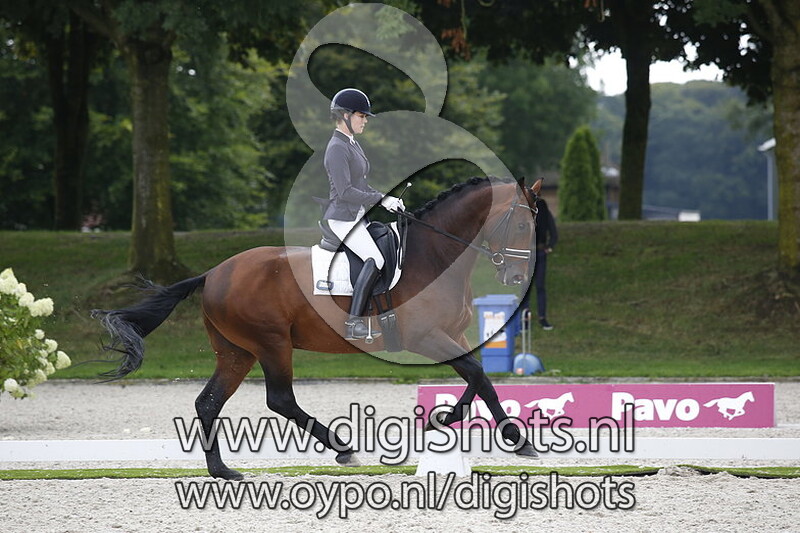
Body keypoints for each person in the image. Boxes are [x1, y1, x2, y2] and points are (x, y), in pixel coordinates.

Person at [322, 88, 404, 340]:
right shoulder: (337, 148)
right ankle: (353, 322)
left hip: (358, 217)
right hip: (342, 218)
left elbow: (362, 186)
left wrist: (388, 199)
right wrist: (381, 200)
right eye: (361, 116)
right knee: (374, 258)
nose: (365, 120)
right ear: (345, 115)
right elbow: (345, 191)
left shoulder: (352, 144)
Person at [520, 197, 558, 330]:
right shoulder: (522, 212)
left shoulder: (543, 210)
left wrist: (550, 246)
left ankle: (542, 318)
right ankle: (525, 319)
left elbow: (553, 231)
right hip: (527, 254)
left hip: (540, 252)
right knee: (525, 287)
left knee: (540, 286)